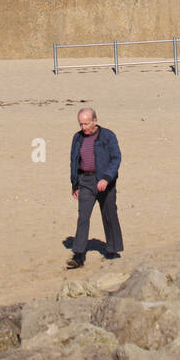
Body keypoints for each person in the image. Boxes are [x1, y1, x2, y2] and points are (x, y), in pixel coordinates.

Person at [67, 106, 123, 269]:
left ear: (95, 121)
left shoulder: (108, 136)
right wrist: (75, 184)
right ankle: (78, 255)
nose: (83, 128)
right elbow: (74, 161)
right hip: (85, 181)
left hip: (105, 182)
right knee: (83, 217)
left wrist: (106, 178)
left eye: (86, 124)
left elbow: (116, 158)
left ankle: (113, 250)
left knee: (109, 215)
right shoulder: (77, 138)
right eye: (81, 124)